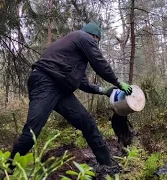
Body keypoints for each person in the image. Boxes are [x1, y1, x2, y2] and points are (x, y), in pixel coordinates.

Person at [9, 21, 133, 167]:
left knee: (88, 124)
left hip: (61, 88)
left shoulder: (75, 56)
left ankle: (108, 168)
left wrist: (103, 90)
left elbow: (83, 83)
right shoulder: (83, 37)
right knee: (31, 131)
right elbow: (99, 63)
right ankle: (6, 170)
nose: (95, 45)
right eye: (96, 42)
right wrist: (118, 82)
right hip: (45, 81)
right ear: (94, 36)